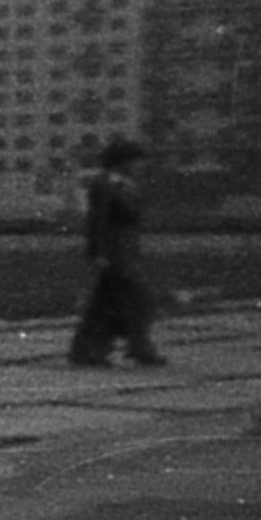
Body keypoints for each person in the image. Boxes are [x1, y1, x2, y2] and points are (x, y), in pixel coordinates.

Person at [69, 137, 165, 368]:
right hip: (113, 253)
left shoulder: (126, 183)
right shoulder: (104, 184)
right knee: (141, 299)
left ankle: (91, 351)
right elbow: (97, 220)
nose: (141, 166)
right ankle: (137, 347)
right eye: (137, 160)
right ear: (123, 161)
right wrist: (98, 253)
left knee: (107, 304)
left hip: (126, 252)